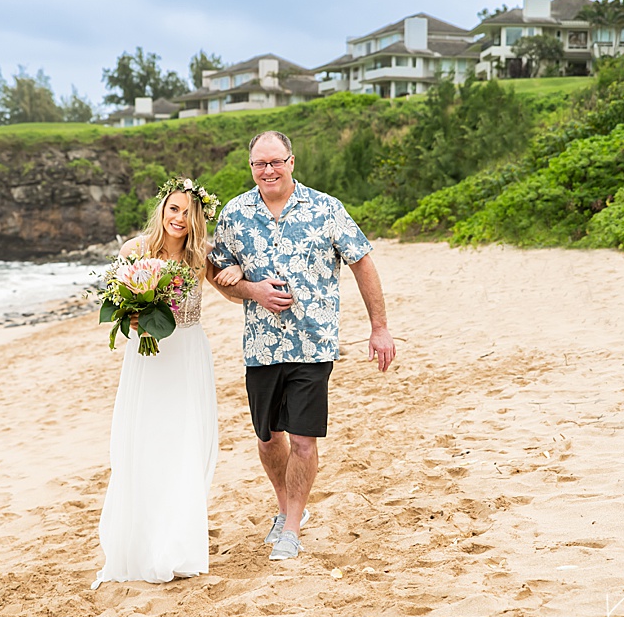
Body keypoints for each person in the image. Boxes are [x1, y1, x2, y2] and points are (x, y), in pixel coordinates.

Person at [209, 130, 396, 561]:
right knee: (267, 438)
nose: (268, 170)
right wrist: (252, 290)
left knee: (304, 441)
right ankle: (284, 509)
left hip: (313, 344)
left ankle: (292, 527)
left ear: (292, 162)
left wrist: (379, 328)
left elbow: (362, 261)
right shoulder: (235, 214)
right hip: (260, 345)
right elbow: (219, 271)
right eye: (259, 164)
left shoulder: (327, 209)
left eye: (275, 162)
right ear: (251, 167)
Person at [92, 177, 235, 588]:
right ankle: (142, 545)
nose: (179, 218)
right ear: (162, 210)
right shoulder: (134, 251)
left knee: (185, 445)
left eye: (188, 212)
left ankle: (178, 546)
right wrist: (133, 317)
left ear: (197, 218)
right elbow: (117, 303)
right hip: (149, 359)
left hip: (189, 356)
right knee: (147, 444)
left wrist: (238, 269)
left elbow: (232, 291)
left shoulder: (201, 256)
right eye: (173, 209)